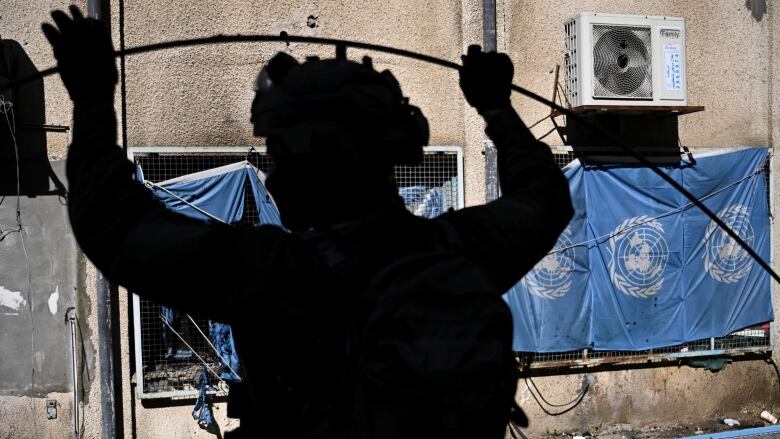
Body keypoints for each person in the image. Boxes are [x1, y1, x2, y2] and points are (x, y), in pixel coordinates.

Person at [43, 6, 573, 438]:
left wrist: (93, 101)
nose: (271, 178)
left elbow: (112, 223)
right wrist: (496, 108)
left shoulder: (273, 273)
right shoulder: (462, 248)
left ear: (313, 161)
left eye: (278, 155)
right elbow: (546, 197)